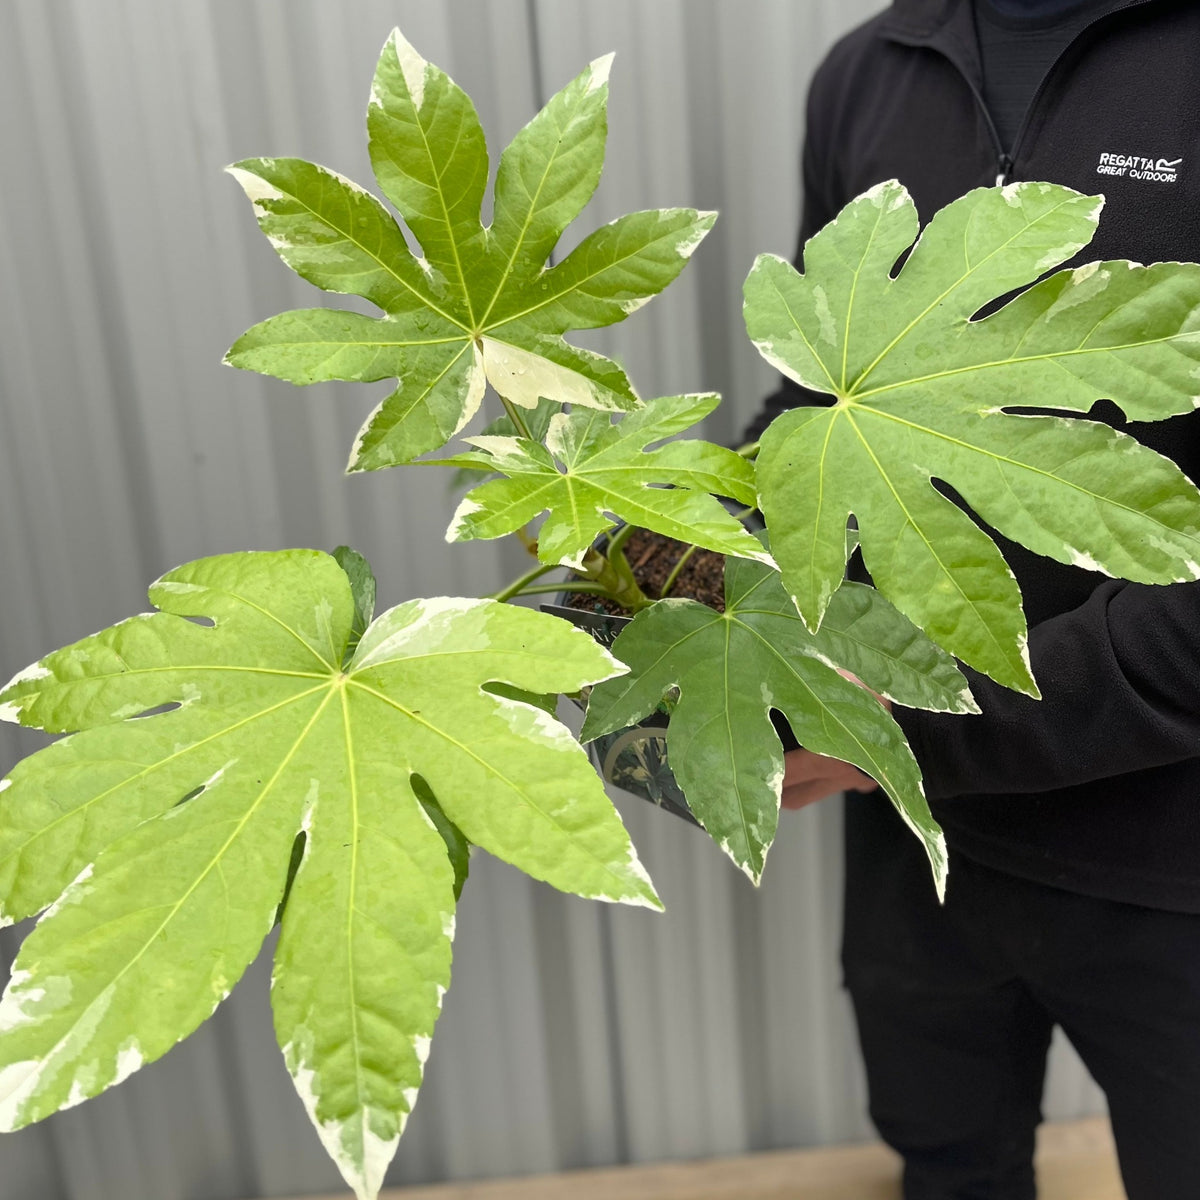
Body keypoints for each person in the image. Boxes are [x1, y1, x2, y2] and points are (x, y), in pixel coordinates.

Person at [745, 1, 1200, 1197]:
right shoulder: (869, 72)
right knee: (947, 1163)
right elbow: (820, 406)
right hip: (920, 852)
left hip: (1168, 859)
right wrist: (655, 538)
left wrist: (907, 726)